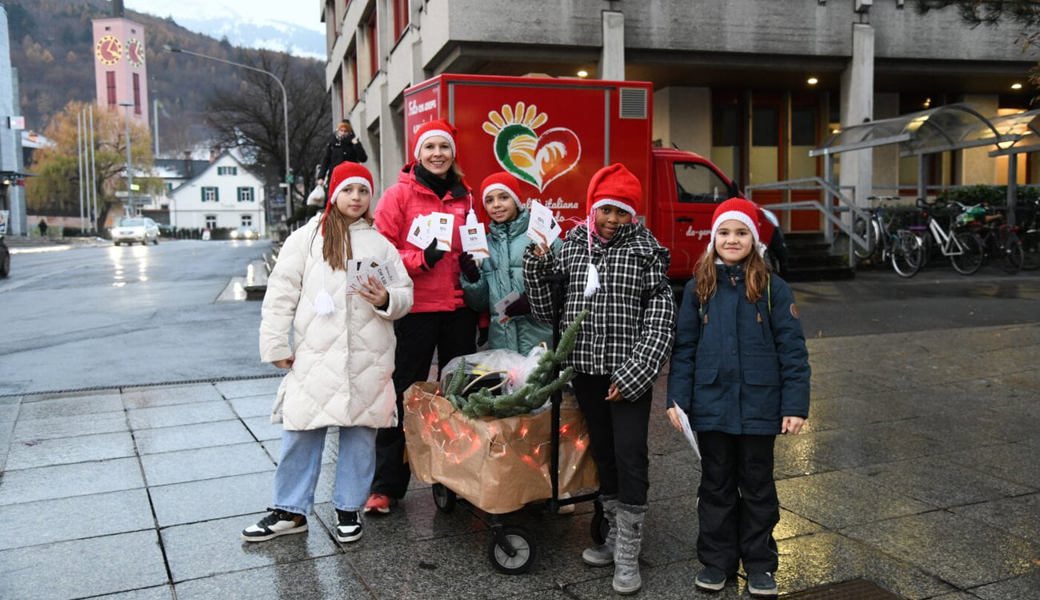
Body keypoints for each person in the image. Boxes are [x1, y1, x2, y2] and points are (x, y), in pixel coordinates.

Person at [524, 163, 676, 595]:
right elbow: (547, 312)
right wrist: (536, 269)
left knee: (631, 455)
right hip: (588, 372)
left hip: (628, 374)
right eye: (607, 209)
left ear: (633, 215)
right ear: (594, 208)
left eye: (622, 212)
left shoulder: (646, 251)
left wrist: (634, 374)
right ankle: (612, 535)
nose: (612, 220)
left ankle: (628, 553)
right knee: (605, 454)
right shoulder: (572, 246)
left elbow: (662, 319)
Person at [243, 161, 413, 544]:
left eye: (364, 191)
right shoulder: (305, 238)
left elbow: (405, 294)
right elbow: (281, 292)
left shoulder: (380, 243)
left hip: (368, 357)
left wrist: (388, 298)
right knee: (301, 430)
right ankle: (289, 508)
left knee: (360, 436)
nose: (356, 198)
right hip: (315, 354)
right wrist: (275, 344)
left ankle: (348, 507)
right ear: (334, 193)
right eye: (349, 190)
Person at [665, 197, 810, 598]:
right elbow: (686, 348)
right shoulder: (699, 287)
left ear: (754, 238)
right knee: (716, 486)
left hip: (761, 407)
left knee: (758, 486)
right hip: (711, 407)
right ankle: (717, 562)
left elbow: (792, 350)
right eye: (724, 232)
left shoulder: (772, 288)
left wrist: (795, 406)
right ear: (713, 239)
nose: (732, 239)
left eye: (741, 232)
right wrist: (677, 398)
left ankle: (760, 564)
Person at [368, 119, 479, 514]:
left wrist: (473, 265)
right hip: (415, 311)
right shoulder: (397, 196)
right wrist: (420, 259)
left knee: (460, 398)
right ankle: (385, 486)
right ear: (418, 154)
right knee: (401, 396)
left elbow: (476, 244)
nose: (437, 154)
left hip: (458, 309)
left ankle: (459, 478)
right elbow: (377, 254)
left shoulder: (466, 196)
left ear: (453, 154)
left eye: (444, 148)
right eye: (430, 147)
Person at [459, 172, 558, 355]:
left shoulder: (541, 236)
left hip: (539, 340)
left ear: (517, 201)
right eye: (489, 200)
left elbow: (565, 287)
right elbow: (479, 304)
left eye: (504, 197)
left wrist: (534, 302)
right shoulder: (483, 246)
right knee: (507, 384)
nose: (496, 205)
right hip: (501, 342)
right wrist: (472, 279)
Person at [315, 120, 368, 187]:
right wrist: (321, 177)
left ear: (349, 132)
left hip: (350, 177)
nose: (343, 133)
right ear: (338, 131)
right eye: (341, 130)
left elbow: (363, 158)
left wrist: (357, 145)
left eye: (345, 131)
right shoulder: (332, 144)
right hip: (335, 177)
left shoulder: (353, 143)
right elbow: (326, 161)